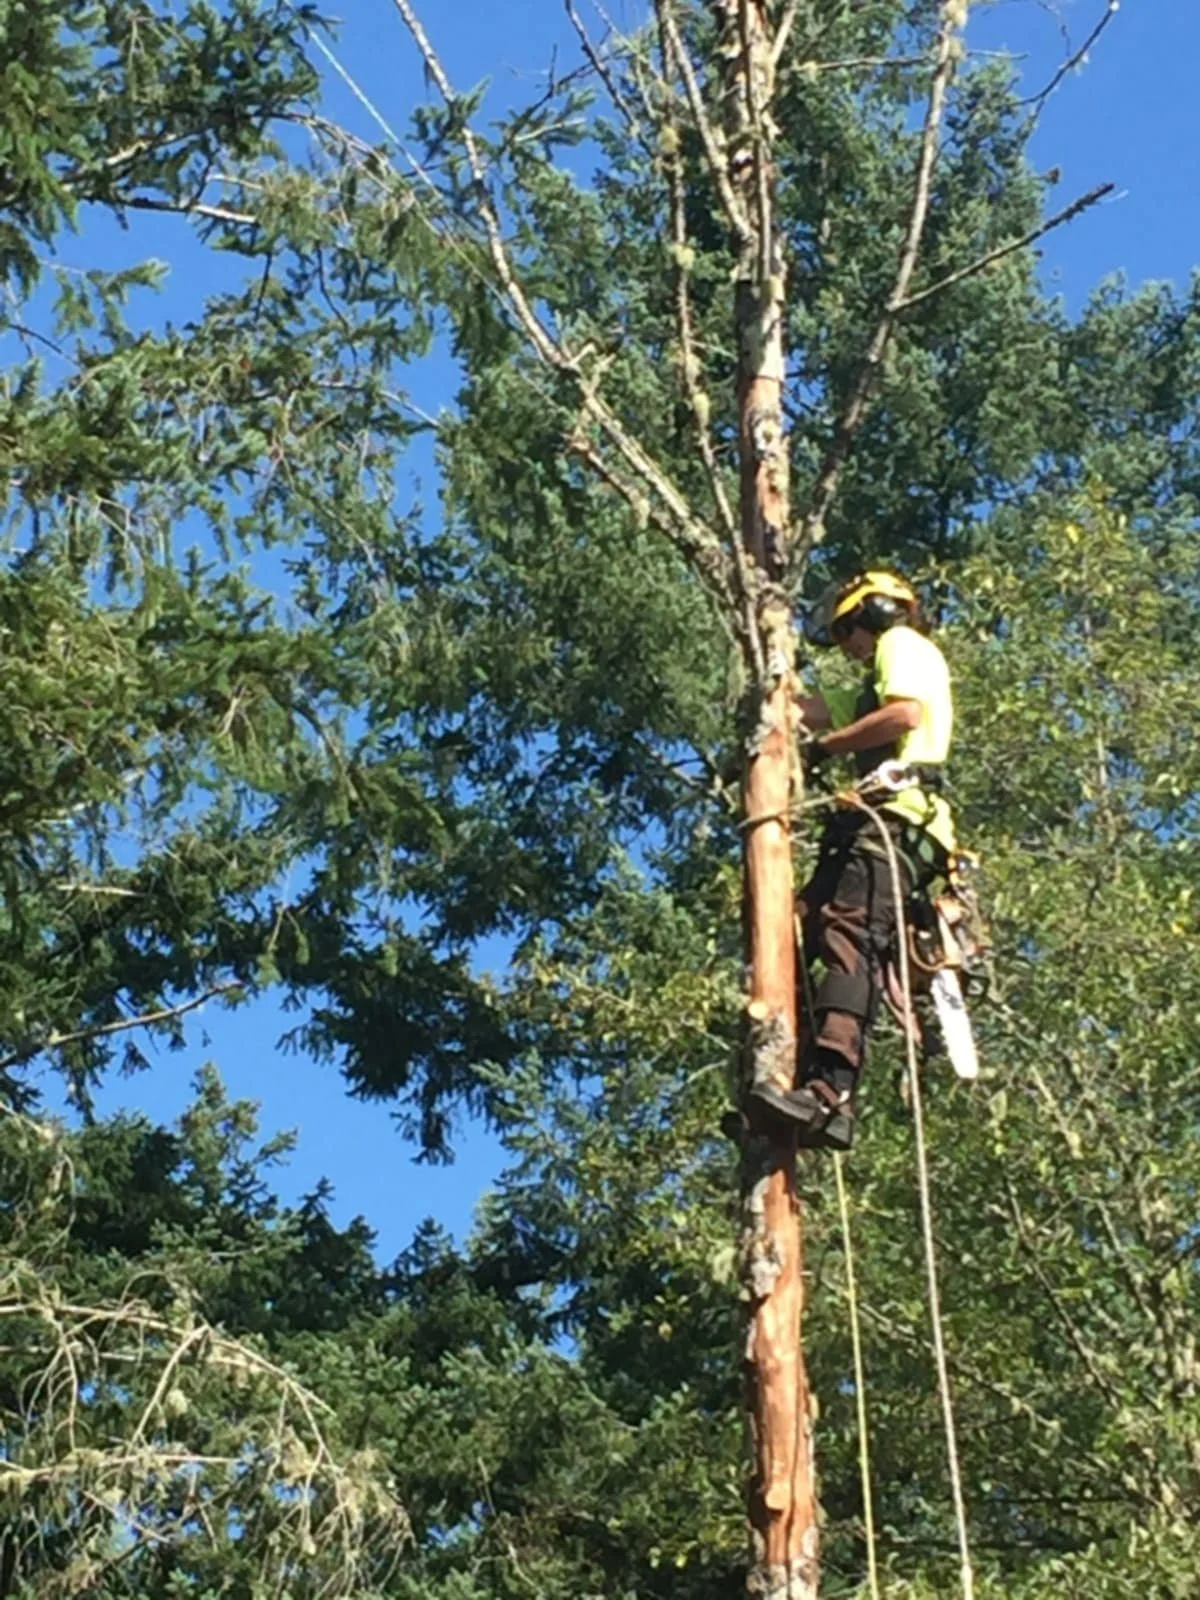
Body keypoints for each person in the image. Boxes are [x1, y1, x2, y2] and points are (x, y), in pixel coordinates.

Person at [750, 570, 956, 1151]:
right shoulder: (867, 689)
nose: (848, 646)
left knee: (848, 936)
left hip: (900, 820)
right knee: (800, 925)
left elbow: (905, 716)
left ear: (877, 613)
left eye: (849, 630)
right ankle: (793, 1083)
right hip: (867, 827)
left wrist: (826, 748)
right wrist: (769, 699)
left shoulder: (904, 647)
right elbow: (811, 710)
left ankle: (829, 1092)